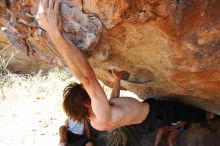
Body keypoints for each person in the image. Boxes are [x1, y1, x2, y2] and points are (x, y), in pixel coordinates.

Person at [36, 0, 208, 133]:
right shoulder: (100, 111)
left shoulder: (97, 120)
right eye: (86, 92)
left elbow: (113, 102)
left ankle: (199, 119)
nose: (89, 90)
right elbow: (87, 78)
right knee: (182, 111)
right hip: (155, 113)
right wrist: (54, 32)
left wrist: (117, 81)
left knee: (178, 115)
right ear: (86, 103)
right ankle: (208, 116)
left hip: (144, 122)